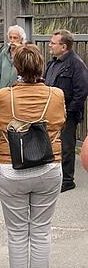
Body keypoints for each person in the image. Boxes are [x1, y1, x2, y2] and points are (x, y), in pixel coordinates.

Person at [0, 44, 65, 268]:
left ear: (17, 68)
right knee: (42, 232)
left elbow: (0, 123)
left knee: (17, 234)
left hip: (11, 168)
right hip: (48, 168)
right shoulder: (56, 95)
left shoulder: (4, 95)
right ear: (42, 66)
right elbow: (61, 122)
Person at [44, 29, 88, 192]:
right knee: (53, 146)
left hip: (67, 115)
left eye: (53, 43)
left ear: (64, 46)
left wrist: (68, 112)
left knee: (66, 147)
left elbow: (82, 91)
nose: (50, 45)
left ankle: (67, 180)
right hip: (51, 113)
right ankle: (56, 177)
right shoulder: (53, 63)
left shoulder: (76, 64)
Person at [0, 25, 27, 90]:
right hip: (4, 92)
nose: (12, 40)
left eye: (15, 38)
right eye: (10, 37)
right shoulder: (4, 53)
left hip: (18, 92)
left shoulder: (25, 55)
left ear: (21, 39)